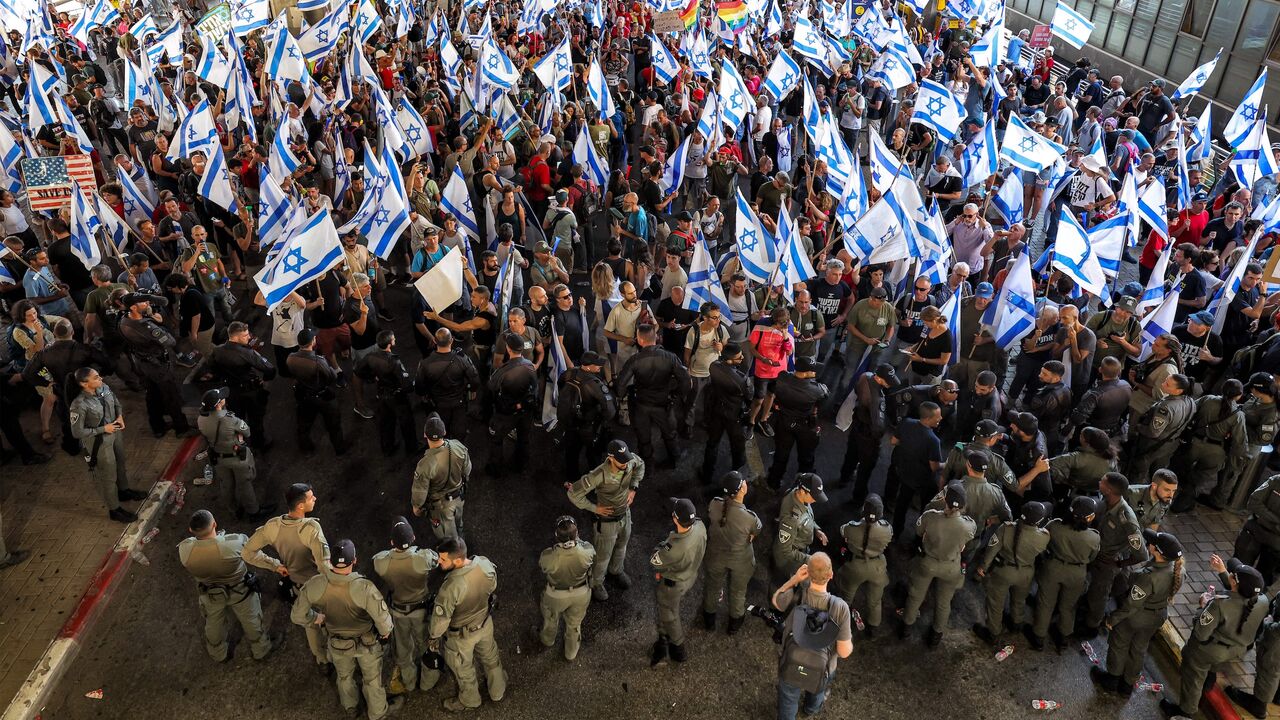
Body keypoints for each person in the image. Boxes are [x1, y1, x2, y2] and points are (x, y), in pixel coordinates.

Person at [291, 539, 403, 719]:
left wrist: (316, 618)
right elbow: (385, 623)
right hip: (367, 643)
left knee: (344, 677)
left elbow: (297, 615)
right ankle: (377, 712)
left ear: (331, 562)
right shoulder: (364, 587)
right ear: (355, 561)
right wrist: (384, 634)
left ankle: (350, 708)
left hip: (336, 642)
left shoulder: (315, 584)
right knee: (372, 679)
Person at [242, 483, 332, 673]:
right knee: (330, 618)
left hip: (299, 585)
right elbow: (324, 565)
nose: (315, 498)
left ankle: (321, 659)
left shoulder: (273, 526)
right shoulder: (311, 529)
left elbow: (248, 552)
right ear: (300, 506)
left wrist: (275, 566)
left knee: (311, 623)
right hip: (319, 586)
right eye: (311, 497)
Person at [1091, 529, 1183, 698]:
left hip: (1137, 616)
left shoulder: (1148, 577)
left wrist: (1112, 619)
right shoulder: (1178, 570)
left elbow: (1131, 605)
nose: (1149, 544)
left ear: (1158, 551)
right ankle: (1128, 685)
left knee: (1120, 643)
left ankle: (1112, 679)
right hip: (1157, 615)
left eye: (1153, 543)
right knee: (1139, 648)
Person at [178, 510, 274, 663]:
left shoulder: (185, 549)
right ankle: (261, 649)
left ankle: (218, 654)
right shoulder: (234, 543)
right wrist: (277, 566)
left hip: (210, 594)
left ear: (191, 530)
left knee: (213, 624)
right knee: (252, 620)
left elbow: (196, 546)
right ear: (215, 524)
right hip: (240, 591)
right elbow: (255, 556)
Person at [426, 536, 507, 713]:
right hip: (485, 624)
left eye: (443, 559)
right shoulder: (484, 565)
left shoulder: (450, 587)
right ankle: (498, 690)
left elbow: (440, 622)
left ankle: (470, 700)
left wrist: (432, 637)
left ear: (457, 560)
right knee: (491, 658)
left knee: (464, 670)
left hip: (461, 637)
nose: (439, 562)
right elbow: (492, 587)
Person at [771, 553, 854, 720]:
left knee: (788, 698)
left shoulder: (797, 596)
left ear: (807, 572)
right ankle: (810, 709)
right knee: (817, 687)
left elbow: (776, 600)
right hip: (823, 665)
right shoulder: (840, 608)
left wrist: (794, 580)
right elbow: (844, 652)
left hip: (792, 659)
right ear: (831, 575)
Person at [566, 439, 644, 601]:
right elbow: (573, 493)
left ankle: (616, 570)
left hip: (625, 514)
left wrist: (633, 488)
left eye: (626, 460)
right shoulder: (598, 475)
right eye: (621, 461)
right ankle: (596, 583)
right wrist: (595, 508)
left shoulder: (630, 461)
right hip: (607, 521)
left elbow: (640, 464)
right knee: (603, 556)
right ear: (610, 458)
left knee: (622, 546)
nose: (625, 464)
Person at [901, 483, 977, 647]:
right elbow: (969, 541)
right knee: (944, 602)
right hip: (951, 567)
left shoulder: (930, 516)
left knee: (915, 596)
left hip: (928, 562)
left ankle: (906, 628)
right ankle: (936, 636)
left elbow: (918, 531)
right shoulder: (968, 526)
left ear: (945, 501)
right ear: (963, 505)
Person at [372, 518, 441, 695]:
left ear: (391, 542)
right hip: (421, 610)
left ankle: (409, 682)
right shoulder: (422, 558)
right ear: (413, 539)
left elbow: (379, 558)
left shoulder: (381, 563)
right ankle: (428, 682)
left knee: (402, 648)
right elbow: (436, 560)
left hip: (398, 611)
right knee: (426, 643)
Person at [69, 367, 146, 522]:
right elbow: (77, 433)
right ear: (85, 384)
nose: (101, 379)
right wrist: (104, 428)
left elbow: (116, 402)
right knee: (108, 475)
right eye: (96, 377)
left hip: (114, 432)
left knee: (120, 462)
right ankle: (114, 509)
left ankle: (124, 491)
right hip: (99, 441)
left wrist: (120, 416)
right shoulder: (78, 405)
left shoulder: (104, 388)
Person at [1082, 472, 1152, 638]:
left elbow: (1142, 555)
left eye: (1102, 482)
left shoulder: (1126, 519)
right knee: (1091, 588)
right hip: (1095, 553)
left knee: (1099, 595)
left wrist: (1120, 564)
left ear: (1109, 490)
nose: (1099, 482)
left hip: (1108, 562)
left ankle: (1091, 626)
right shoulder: (1106, 501)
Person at [972, 501, 1051, 644]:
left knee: (996, 602)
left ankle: (993, 633)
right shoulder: (1044, 536)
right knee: (1019, 599)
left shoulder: (1006, 529)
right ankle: (1016, 623)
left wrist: (982, 568)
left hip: (1003, 571)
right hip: (1026, 572)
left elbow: (991, 551)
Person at [1029, 496, 1101, 650]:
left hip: (1053, 567)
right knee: (1068, 606)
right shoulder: (1094, 537)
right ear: (1089, 518)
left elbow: (1041, 539)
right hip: (1077, 572)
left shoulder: (1055, 526)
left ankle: (1038, 638)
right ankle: (1063, 638)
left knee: (1045, 603)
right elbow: (1092, 557)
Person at [118, 293, 194, 437]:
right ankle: (182, 428)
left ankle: (158, 427)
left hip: (141, 363)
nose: (147, 304)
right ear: (134, 307)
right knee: (171, 397)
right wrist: (157, 322)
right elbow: (170, 341)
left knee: (152, 396)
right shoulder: (146, 327)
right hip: (157, 366)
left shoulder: (123, 321)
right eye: (143, 303)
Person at [615, 322, 688, 467]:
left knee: (644, 438)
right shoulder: (670, 357)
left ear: (640, 340)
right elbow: (685, 381)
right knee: (670, 435)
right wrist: (676, 394)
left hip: (642, 405)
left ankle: (648, 467)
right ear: (656, 338)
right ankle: (675, 460)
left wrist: (625, 395)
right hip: (664, 403)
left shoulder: (635, 360)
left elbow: (620, 385)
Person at [197, 387, 273, 522]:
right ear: (219, 404)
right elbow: (247, 432)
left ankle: (234, 510)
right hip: (237, 457)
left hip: (218, 458)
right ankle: (253, 512)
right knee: (244, 484)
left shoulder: (201, 420)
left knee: (226, 485)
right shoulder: (230, 420)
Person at [197, 321, 276, 449]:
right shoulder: (247, 353)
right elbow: (269, 369)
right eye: (245, 335)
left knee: (237, 418)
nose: (249, 337)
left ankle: (240, 442)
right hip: (251, 392)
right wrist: (265, 380)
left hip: (231, 392)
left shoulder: (217, 351)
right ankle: (259, 442)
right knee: (256, 419)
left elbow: (212, 369)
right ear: (235, 336)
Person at [649, 497, 708, 667]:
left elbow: (655, 560)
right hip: (691, 575)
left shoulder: (673, 548)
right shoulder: (700, 527)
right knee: (666, 613)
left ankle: (678, 647)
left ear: (675, 518)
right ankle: (664, 635)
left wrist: (661, 545)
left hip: (674, 585)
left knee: (669, 615)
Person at [702, 471, 762, 634]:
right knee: (738, 591)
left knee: (712, 587)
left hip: (715, 556)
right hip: (740, 560)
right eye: (744, 482)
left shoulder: (714, 504)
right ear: (742, 489)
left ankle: (709, 620)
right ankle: (734, 624)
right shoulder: (750, 518)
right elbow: (756, 531)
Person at [538, 515, 596, 661]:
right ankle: (570, 653)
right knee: (574, 624)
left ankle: (548, 640)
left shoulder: (548, 557)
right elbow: (591, 557)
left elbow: (543, 566)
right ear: (577, 534)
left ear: (556, 535)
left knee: (551, 618)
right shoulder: (587, 551)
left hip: (555, 595)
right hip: (581, 593)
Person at [841, 364, 899, 504]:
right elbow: (878, 425)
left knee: (851, 453)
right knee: (866, 465)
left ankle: (844, 477)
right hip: (868, 433)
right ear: (879, 378)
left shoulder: (865, 376)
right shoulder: (877, 398)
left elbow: (856, 389)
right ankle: (858, 496)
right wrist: (878, 439)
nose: (889, 384)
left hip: (857, 422)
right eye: (887, 381)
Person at [767, 357, 829, 488]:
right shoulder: (817, 390)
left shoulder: (782, 378)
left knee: (780, 455)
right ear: (806, 373)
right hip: (805, 426)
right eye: (813, 371)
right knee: (806, 458)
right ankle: (804, 485)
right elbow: (823, 402)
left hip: (784, 422)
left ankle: (773, 482)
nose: (815, 373)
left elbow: (772, 388)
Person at [836, 494, 892, 637]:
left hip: (855, 565)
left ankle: (839, 623)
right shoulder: (886, 529)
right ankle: (873, 629)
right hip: (877, 566)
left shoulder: (851, 528)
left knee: (847, 595)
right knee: (875, 600)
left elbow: (843, 531)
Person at [354, 330, 418, 455]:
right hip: (397, 396)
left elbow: (358, 371)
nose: (395, 340)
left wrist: (372, 378)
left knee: (386, 423)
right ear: (390, 344)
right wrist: (412, 385)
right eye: (393, 339)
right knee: (407, 423)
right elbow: (407, 386)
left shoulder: (370, 357)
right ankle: (412, 449)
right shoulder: (394, 361)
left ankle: (387, 448)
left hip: (382, 394)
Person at [556, 350, 617, 479]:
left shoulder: (569, 373)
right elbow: (610, 410)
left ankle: (572, 479)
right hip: (588, 425)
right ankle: (594, 483)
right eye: (597, 364)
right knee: (593, 454)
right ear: (588, 366)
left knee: (571, 452)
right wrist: (604, 421)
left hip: (569, 423)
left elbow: (560, 385)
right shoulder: (594, 384)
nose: (600, 366)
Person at [888, 403, 945, 536]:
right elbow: (934, 466)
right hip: (922, 480)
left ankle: (895, 532)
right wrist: (946, 464)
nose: (941, 418)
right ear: (928, 418)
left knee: (901, 503)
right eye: (938, 416)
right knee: (925, 508)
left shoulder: (906, 422)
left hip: (904, 472)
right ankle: (919, 537)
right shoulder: (933, 440)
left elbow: (893, 441)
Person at [1127, 373, 1196, 484]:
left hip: (1153, 445)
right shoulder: (1190, 402)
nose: (1163, 384)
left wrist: (1139, 427)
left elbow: (1153, 432)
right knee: (1158, 474)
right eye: (1165, 381)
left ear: (1178, 391)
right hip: (1170, 445)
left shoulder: (1166, 408)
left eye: (1167, 384)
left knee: (1138, 472)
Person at [485, 331, 538, 475]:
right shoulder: (530, 366)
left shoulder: (502, 371)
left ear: (508, 349)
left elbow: (491, 388)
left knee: (496, 441)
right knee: (523, 440)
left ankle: (495, 470)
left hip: (505, 412)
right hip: (525, 411)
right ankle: (521, 466)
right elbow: (535, 389)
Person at [412, 415, 471, 540]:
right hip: (458, 498)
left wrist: (417, 508)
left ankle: (450, 555)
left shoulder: (425, 465)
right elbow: (467, 470)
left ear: (425, 435)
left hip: (440, 507)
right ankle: (461, 547)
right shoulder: (458, 446)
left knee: (445, 535)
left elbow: (419, 494)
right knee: (459, 525)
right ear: (444, 432)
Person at [414, 328, 480, 440]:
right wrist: (472, 390)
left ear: (434, 341)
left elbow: (419, 387)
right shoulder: (462, 359)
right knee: (459, 433)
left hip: (438, 403)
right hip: (459, 401)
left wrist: (425, 395)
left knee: (441, 433)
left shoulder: (425, 363)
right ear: (452, 340)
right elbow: (474, 379)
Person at [700, 342, 752, 482]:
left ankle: (706, 475)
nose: (742, 359)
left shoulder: (714, 366)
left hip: (716, 411)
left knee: (712, 444)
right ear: (729, 359)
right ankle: (736, 480)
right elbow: (749, 398)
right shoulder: (741, 379)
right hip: (734, 416)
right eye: (739, 357)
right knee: (737, 449)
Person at [287, 329, 344, 454]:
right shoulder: (318, 361)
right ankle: (339, 449)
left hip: (304, 396)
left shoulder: (290, 358)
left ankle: (306, 447)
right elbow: (332, 377)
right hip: (322, 396)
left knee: (304, 425)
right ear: (312, 341)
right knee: (333, 425)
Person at [772, 473, 829, 580]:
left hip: (800, 547)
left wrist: (816, 530)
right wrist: (809, 559)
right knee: (784, 580)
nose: (816, 500)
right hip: (789, 559)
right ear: (803, 491)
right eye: (814, 496)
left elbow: (807, 517)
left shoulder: (797, 494)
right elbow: (785, 551)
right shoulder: (791, 519)